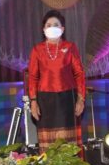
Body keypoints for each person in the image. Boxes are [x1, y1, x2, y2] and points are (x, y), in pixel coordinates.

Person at [27, 10, 85, 151]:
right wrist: (33, 101)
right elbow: (33, 77)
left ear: (62, 29)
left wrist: (81, 99)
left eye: (56, 25)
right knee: (48, 145)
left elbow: (79, 74)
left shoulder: (70, 47)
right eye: (49, 25)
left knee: (68, 144)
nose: (52, 27)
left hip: (68, 99)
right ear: (43, 29)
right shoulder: (37, 50)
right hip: (45, 100)